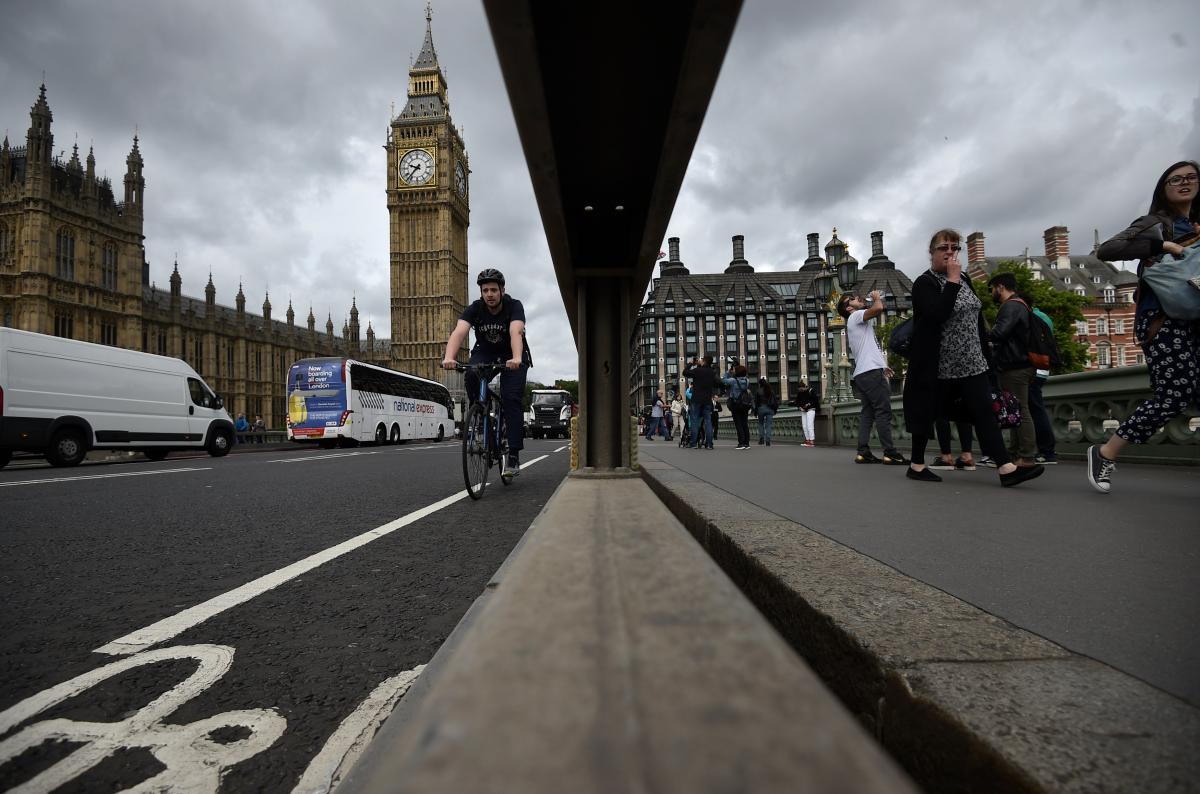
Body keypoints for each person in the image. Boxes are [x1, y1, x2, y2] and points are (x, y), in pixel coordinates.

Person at [1089, 160, 1200, 493]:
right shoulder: (1156, 222)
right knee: (1174, 393)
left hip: (1196, 320)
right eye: (1174, 180)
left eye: (1191, 177)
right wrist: (1161, 245)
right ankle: (1106, 452)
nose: (1184, 183)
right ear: (1163, 189)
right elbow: (1108, 249)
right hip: (1163, 322)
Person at [902, 228, 1044, 486]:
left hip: (972, 362)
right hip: (940, 364)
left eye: (954, 248)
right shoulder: (925, 283)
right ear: (931, 253)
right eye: (943, 247)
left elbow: (977, 317)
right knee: (927, 411)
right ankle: (916, 464)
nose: (949, 252)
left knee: (984, 412)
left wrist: (987, 354)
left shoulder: (965, 278)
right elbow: (937, 315)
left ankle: (1006, 468)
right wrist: (953, 282)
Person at [442, 268, 529, 481]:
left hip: (512, 354)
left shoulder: (514, 306)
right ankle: (480, 411)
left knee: (511, 398)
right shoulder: (475, 308)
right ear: (481, 292)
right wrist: (449, 357)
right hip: (485, 352)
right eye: (485, 290)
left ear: (502, 291)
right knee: (472, 374)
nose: (489, 294)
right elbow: (459, 332)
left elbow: (516, 331)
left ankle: (513, 456)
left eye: (493, 290)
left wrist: (517, 358)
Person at [838, 290, 908, 465]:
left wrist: (882, 366)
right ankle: (890, 453)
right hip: (870, 373)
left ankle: (863, 452)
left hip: (863, 374)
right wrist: (876, 297)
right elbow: (878, 309)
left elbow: (867, 347)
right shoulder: (856, 316)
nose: (859, 299)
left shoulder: (853, 324)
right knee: (883, 411)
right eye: (853, 299)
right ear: (848, 307)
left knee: (868, 413)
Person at [987, 273, 1038, 468]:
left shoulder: (1011, 305)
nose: (992, 293)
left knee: (1020, 410)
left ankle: (1026, 455)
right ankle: (1016, 453)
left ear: (1000, 287)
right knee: (1015, 409)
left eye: (992, 289)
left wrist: (982, 335)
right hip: (1021, 364)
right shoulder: (1021, 304)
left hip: (1015, 365)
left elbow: (1000, 333)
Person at [1025, 294, 1058, 464]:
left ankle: (1046, 451)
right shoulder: (1044, 317)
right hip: (1044, 368)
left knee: (1034, 410)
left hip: (1032, 369)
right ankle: (1045, 450)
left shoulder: (1029, 317)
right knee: (1035, 409)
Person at [682, 356, 717, 449]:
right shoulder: (712, 372)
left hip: (696, 399)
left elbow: (684, 372)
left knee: (694, 421)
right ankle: (709, 444)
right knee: (708, 422)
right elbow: (718, 383)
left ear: (704, 361)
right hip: (707, 400)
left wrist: (690, 364)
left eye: (701, 359)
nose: (699, 360)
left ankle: (693, 443)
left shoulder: (697, 370)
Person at [722, 363, 753, 450]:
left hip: (736, 404)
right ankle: (747, 443)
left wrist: (728, 372)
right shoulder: (747, 380)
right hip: (745, 404)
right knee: (744, 424)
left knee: (738, 424)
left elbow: (724, 380)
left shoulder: (733, 381)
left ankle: (741, 443)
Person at [791, 380, 818, 447]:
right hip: (803, 411)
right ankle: (807, 440)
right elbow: (797, 402)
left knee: (809, 425)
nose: (801, 391)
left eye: (801, 389)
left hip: (810, 410)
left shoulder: (811, 391)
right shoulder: (800, 393)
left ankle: (812, 441)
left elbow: (815, 401)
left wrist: (808, 405)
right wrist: (800, 407)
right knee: (805, 426)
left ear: (804, 387)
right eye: (799, 390)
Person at [755, 378, 778, 446]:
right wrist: (775, 410)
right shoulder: (771, 390)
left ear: (760, 384)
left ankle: (761, 439)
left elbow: (756, 402)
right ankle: (768, 440)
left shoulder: (758, 391)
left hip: (761, 409)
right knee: (769, 425)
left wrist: (755, 411)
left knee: (761, 424)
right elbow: (775, 401)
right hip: (770, 409)